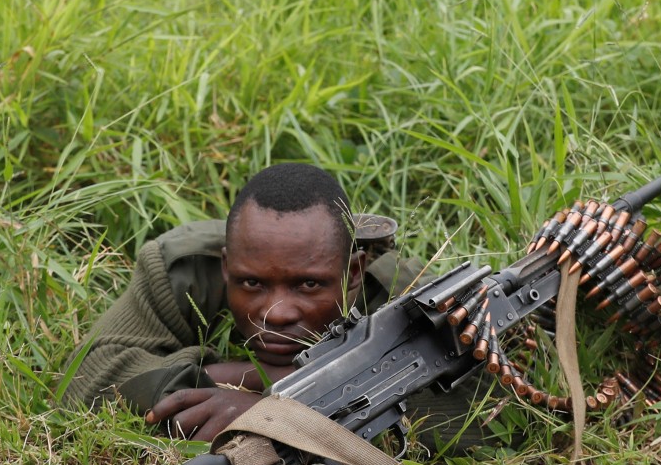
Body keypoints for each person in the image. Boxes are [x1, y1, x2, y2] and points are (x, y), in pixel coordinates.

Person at [58, 163, 485, 444]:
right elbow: (89, 376)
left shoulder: (406, 299)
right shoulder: (183, 270)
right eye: (251, 283)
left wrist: (290, 405)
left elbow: (483, 412)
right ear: (226, 267)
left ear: (352, 273)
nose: (276, 312)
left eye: (309, 285)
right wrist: (248, 376)